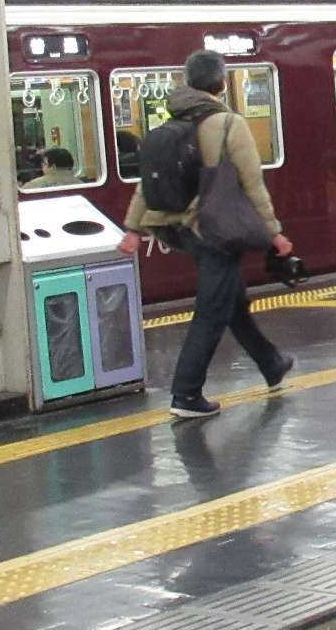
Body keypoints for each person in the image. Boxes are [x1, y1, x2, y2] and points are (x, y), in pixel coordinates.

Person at [117, 50, 294, 420]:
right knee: (212, 310)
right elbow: (252, 184)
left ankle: (271, 363)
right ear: (221, 83)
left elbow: (144, 187)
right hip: (216, 229)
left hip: (180, 230)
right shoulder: (228, 124)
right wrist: (274, 234)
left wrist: (133, 229)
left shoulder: (169, 123)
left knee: (230, 298)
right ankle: (186, 394)